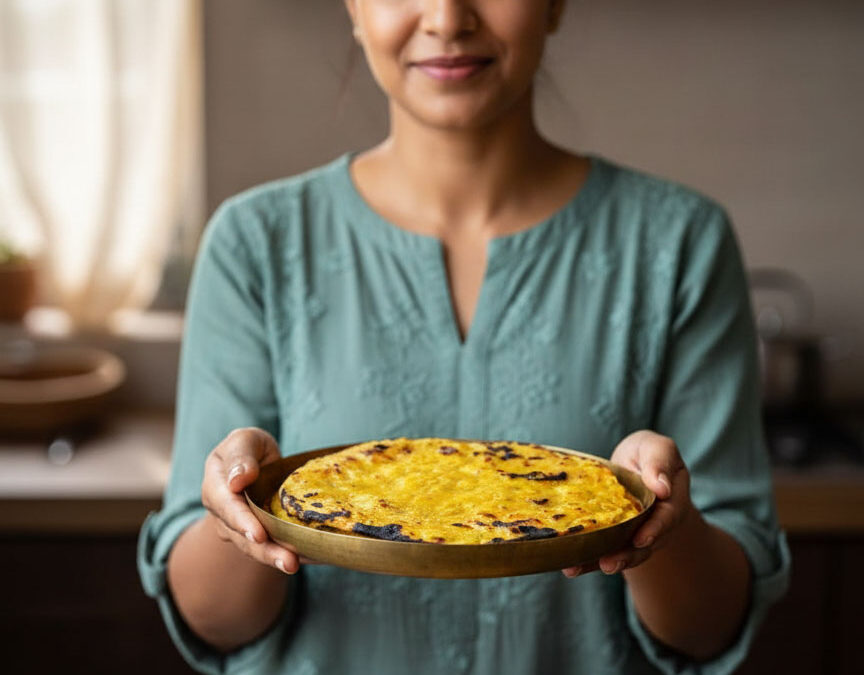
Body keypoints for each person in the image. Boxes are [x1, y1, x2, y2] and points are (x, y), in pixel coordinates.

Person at [138, 1, 790, 673]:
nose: (448, 18)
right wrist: (244, 506)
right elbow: (212, 622)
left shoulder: (680, 244)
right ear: (354, 9)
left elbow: (711, 629)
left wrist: (658, 519)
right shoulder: (255, 245)